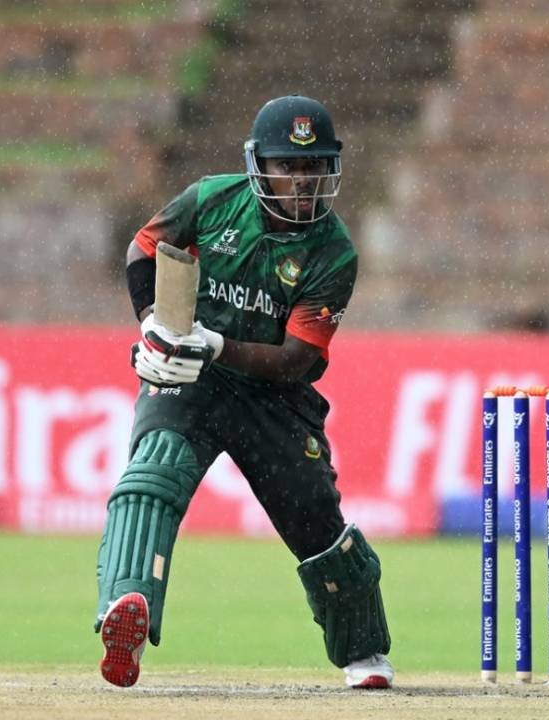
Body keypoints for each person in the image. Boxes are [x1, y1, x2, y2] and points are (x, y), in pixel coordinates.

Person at [94, 95, 393, 690]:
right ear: (260, 165)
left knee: (316, 520)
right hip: (190, 379)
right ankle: (125, 606)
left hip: (275, 398)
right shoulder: (213, 200)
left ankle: (364, 653)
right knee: (151, 480)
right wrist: (153, 321)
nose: (303, 182)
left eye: (314, 168)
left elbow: (295, 359)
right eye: (289, 166)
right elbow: (143, 249)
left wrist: (214, 344)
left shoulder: (334, 252)